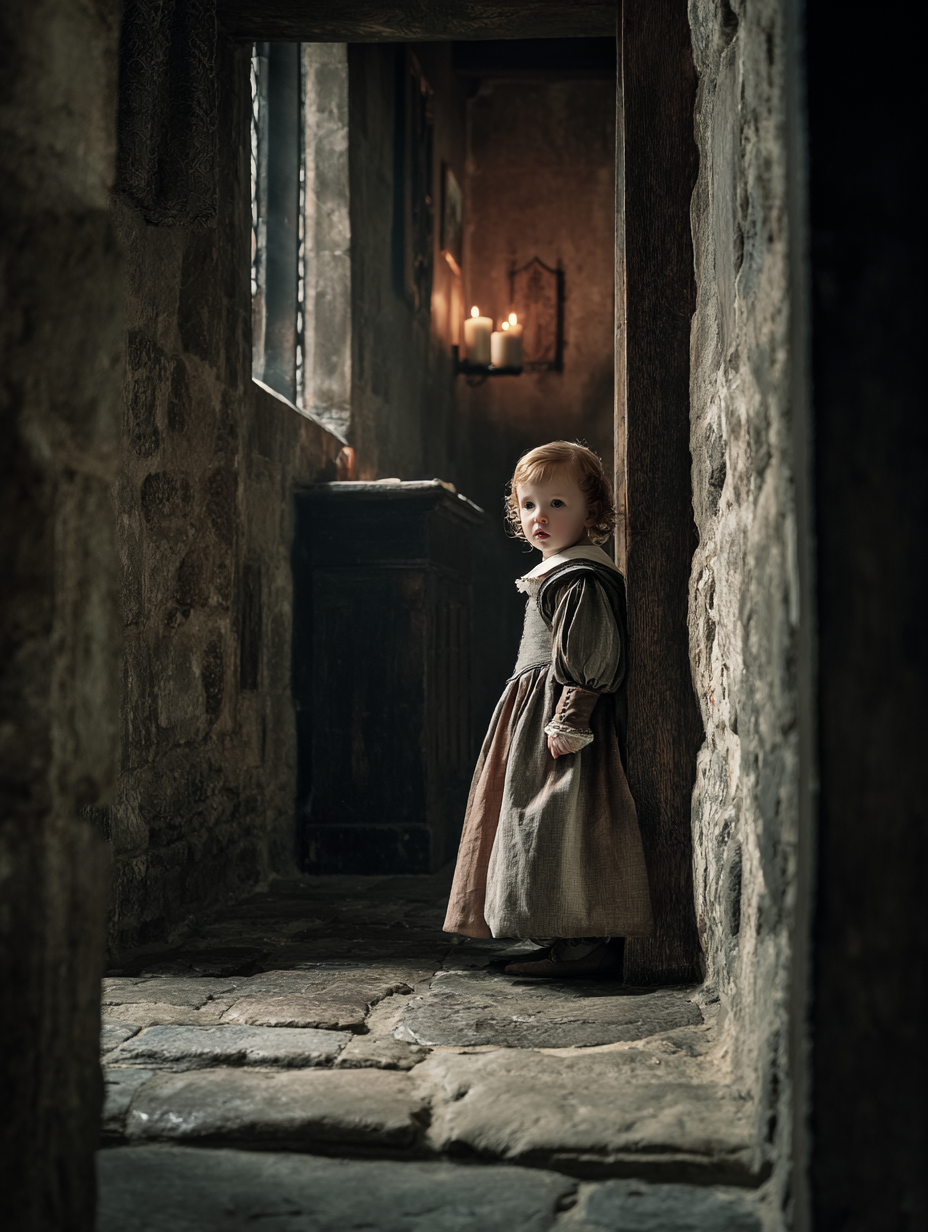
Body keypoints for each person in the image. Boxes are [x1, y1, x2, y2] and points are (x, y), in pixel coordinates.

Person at [443, 441, 653, 978]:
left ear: (592, 511)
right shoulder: (557, 570)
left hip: (558, 718)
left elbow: (594, 650)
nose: (541, 517)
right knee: (527, 826)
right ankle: (560, 937)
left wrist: (572, 716)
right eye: (530, 504)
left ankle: (584, 945)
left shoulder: (579, 575)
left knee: (559, 823)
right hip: (534, 709)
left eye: (558, 504)